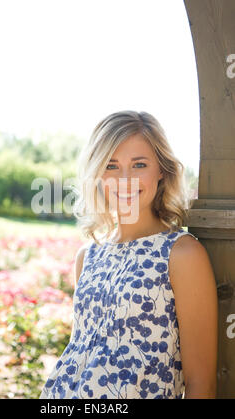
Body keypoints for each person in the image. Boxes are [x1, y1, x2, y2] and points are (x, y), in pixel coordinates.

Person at [39, 110, 218, 399]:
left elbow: (202, 385)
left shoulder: (181, 253)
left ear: (161, 170)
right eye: (111, 165)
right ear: (97, 173)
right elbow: (81, 351)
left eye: (139, 165)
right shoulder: (89, 255)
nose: (124, 179)